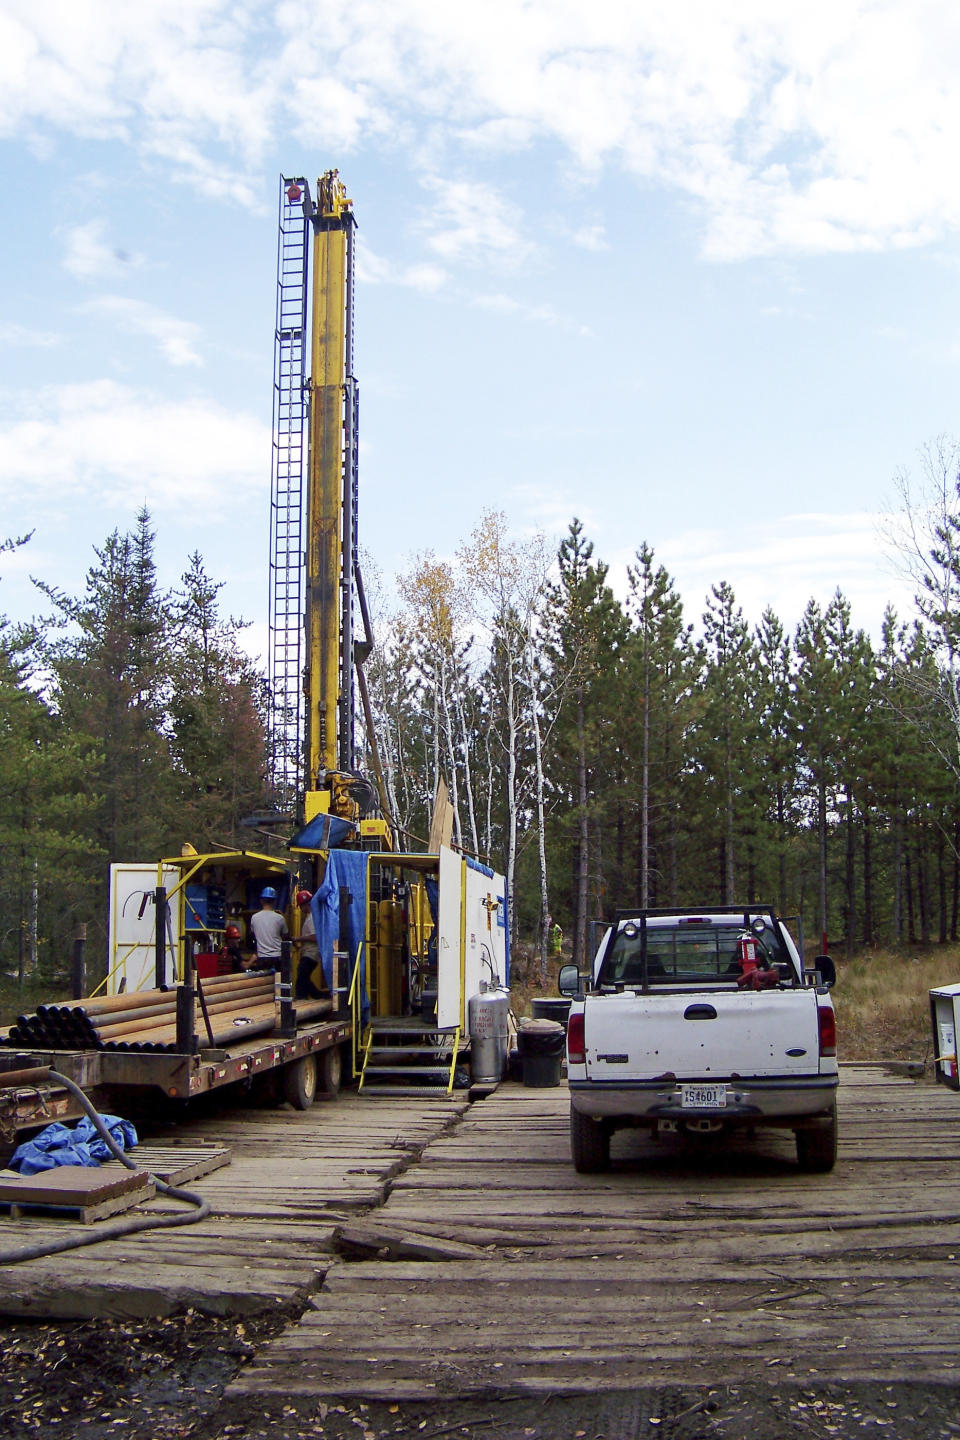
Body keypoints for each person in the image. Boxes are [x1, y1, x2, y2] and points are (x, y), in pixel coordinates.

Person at [247, 887, 288, 969]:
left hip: (262, 957)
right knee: (278, 980)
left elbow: (253, 934)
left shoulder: (254, 918)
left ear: (261, 900)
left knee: (263, 981)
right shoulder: (280, 918)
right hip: (277, 957)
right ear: (274, 901)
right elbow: (285, 936)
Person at [295, 889, 324, 999]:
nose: (300, 909)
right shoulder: (311, 917)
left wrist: (298, 938)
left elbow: (315, 937)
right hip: (310, 953)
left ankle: (315, 995)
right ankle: (304, 996)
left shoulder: (312, 918)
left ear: (305, 904)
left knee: (302, 974)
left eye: (301, 906)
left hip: (311, 953)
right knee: (302, 975)